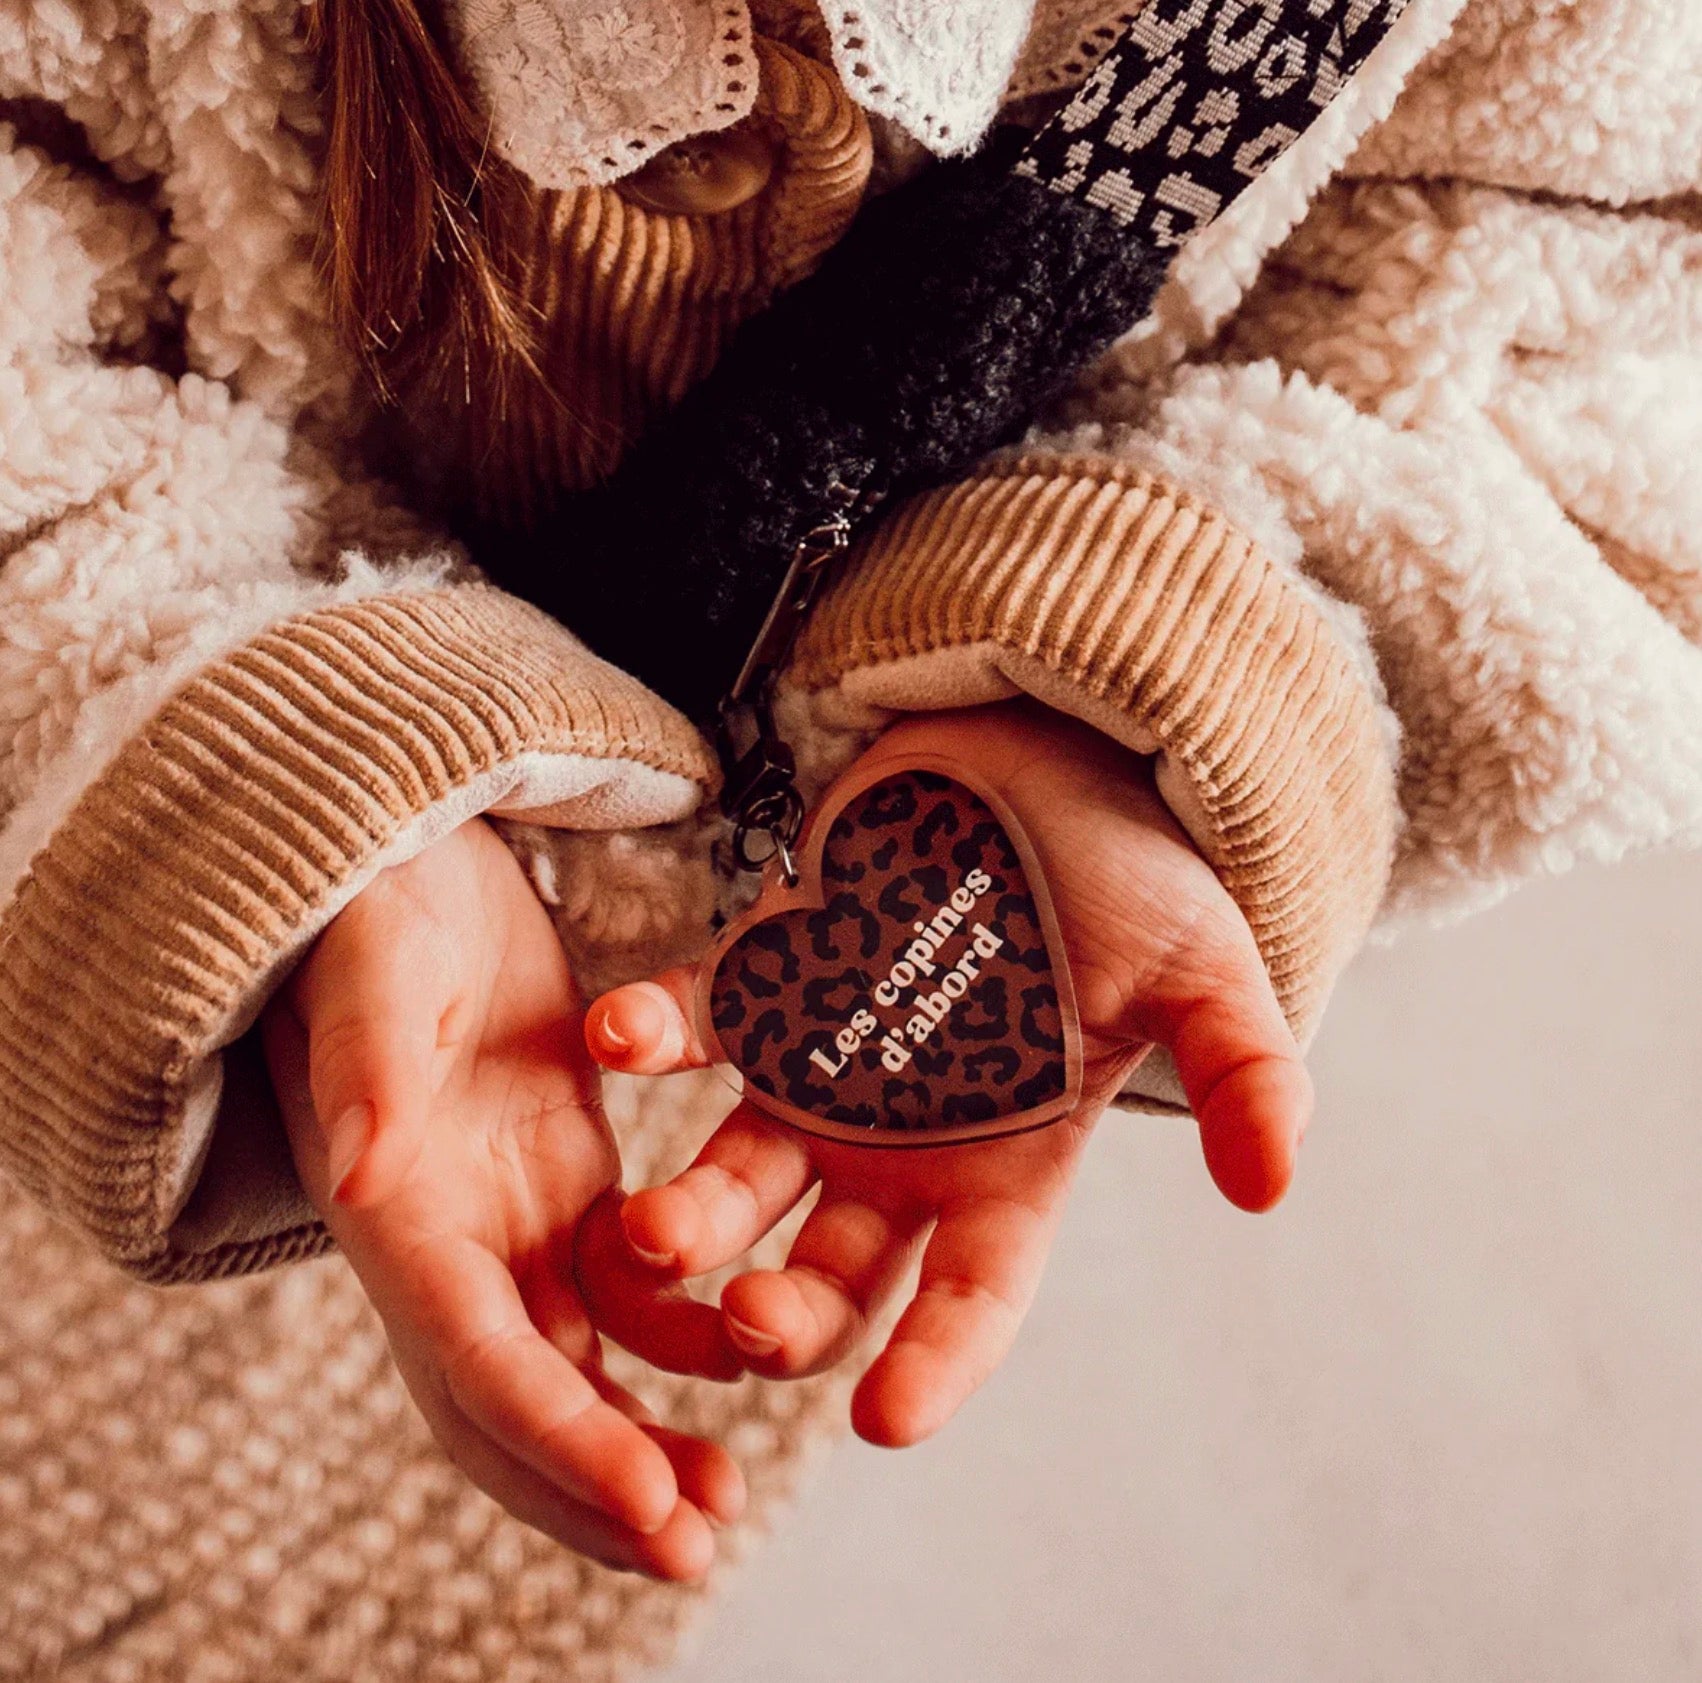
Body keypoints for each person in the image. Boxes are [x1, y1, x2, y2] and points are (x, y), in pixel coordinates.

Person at [2, 0, 1698, 1664]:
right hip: (172, 905)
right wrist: (301, 788)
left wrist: (1113, 682)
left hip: (726, 1101)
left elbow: (1580, 318)